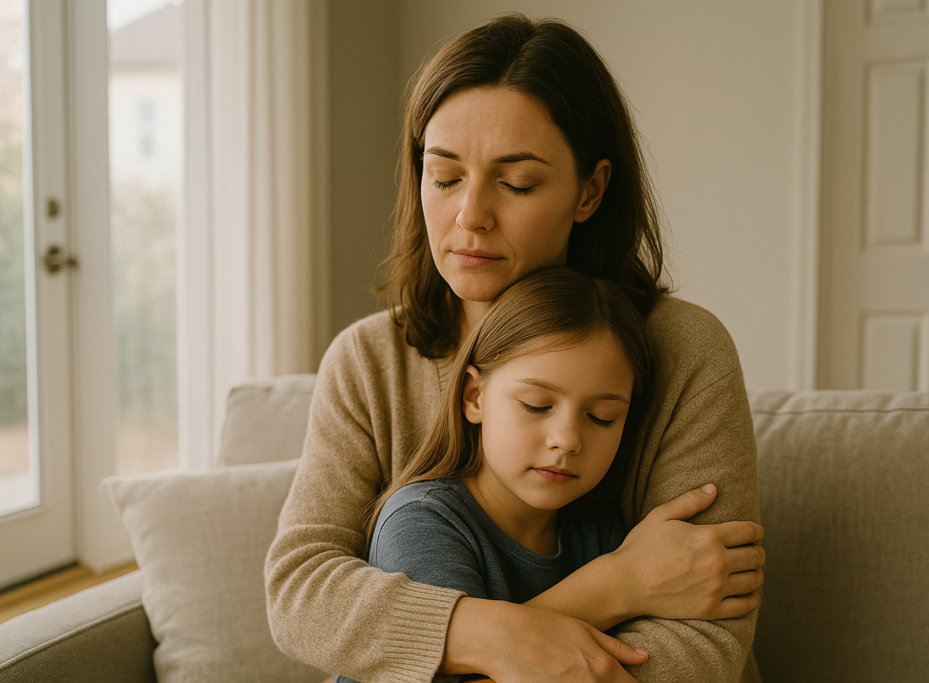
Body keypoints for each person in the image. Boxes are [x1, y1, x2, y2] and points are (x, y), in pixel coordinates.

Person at [267, 13, 765, 683]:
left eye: (517, 183)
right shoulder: (368, 362)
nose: (469, 215)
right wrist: (583, 599)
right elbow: (301, 592)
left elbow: (704, 627)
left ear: (590, 190)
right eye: (444, 178)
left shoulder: (682, 349)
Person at [333, 268, 654, 683]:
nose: (567, 440)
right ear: (474, 397)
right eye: (537, 405)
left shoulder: (599, 528)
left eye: (601, 417)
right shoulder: (420, 523)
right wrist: (616, 586)